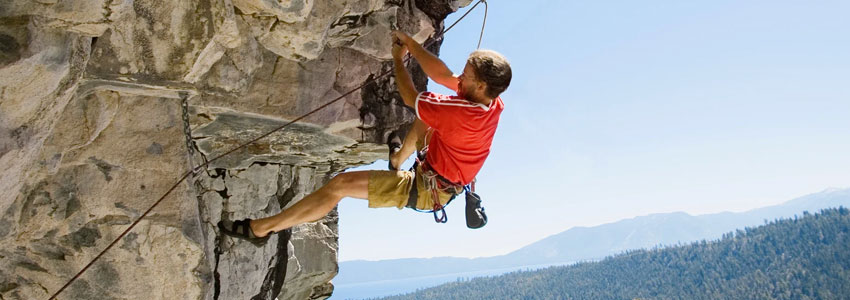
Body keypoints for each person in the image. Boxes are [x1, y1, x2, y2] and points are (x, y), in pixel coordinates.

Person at [218, 31, 511, 241]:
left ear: (482, 85)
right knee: (427, 116)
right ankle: (397, 158)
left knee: (340, 186)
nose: (459, 78)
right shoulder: (492, 102)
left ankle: (262, 229)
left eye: (467, 76)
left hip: (426, 190)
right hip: (444, 174)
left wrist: (399, 59)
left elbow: (410, 97)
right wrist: (410, 43)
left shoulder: (460, 113)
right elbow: (443, 75)